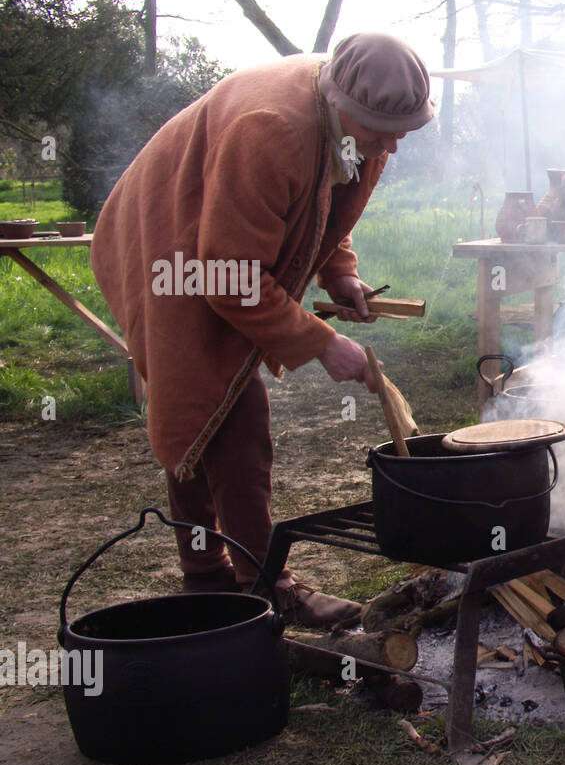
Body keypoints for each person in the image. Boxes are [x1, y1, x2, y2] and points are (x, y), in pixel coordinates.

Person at [91, 32, 436, 628]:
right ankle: (263, 585)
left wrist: (339, 272)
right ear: (341, 101)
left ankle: (209, 583)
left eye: (404, 128)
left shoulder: (351, 117)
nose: (393, 144)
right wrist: (321, 343)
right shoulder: (272, 130)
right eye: (383, 130)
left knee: (216, 418)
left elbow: (323, 203)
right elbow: (225, 277)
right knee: (221, 414)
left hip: (220, 246)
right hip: (168, 249)